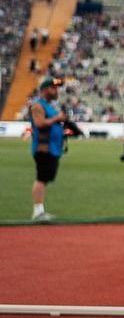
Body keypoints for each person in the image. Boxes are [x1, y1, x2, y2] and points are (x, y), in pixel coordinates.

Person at [27, 76, 77, 223]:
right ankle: (38, 212)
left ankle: (40, 210)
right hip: (44, 148)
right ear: (44, 90)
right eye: (53, 88)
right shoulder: (38, 105)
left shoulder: (49, 106)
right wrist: (57, 118)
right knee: (41, 178)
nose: (56, 91)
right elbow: (39, 123)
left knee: (44, 178)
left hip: (52, 148)